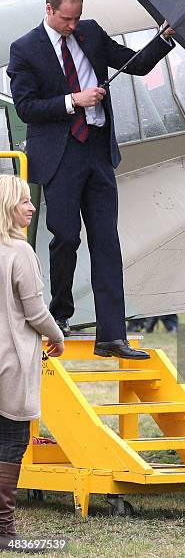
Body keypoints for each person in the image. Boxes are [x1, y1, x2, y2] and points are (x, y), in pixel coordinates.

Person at [7, 0, 175, 360]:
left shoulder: (91, 33)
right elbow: (26, 108)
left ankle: (112, 336)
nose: (72, 25)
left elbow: (136, 63)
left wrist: (163, 38)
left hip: (97, 151)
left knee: (106, 241)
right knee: (65, 237)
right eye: (66, 18)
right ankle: (59, 315)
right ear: (49, 10)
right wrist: (73, 101)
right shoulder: (25, 49)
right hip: (60, 156)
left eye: (76, 17)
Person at [0, 175, 64, 546]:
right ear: (10, 206)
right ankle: (4, 529)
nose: (32, 206)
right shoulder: (20, 252)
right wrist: (57, 336)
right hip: (11, 361)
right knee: (11, 443)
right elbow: (36, 311)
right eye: (25, 201)